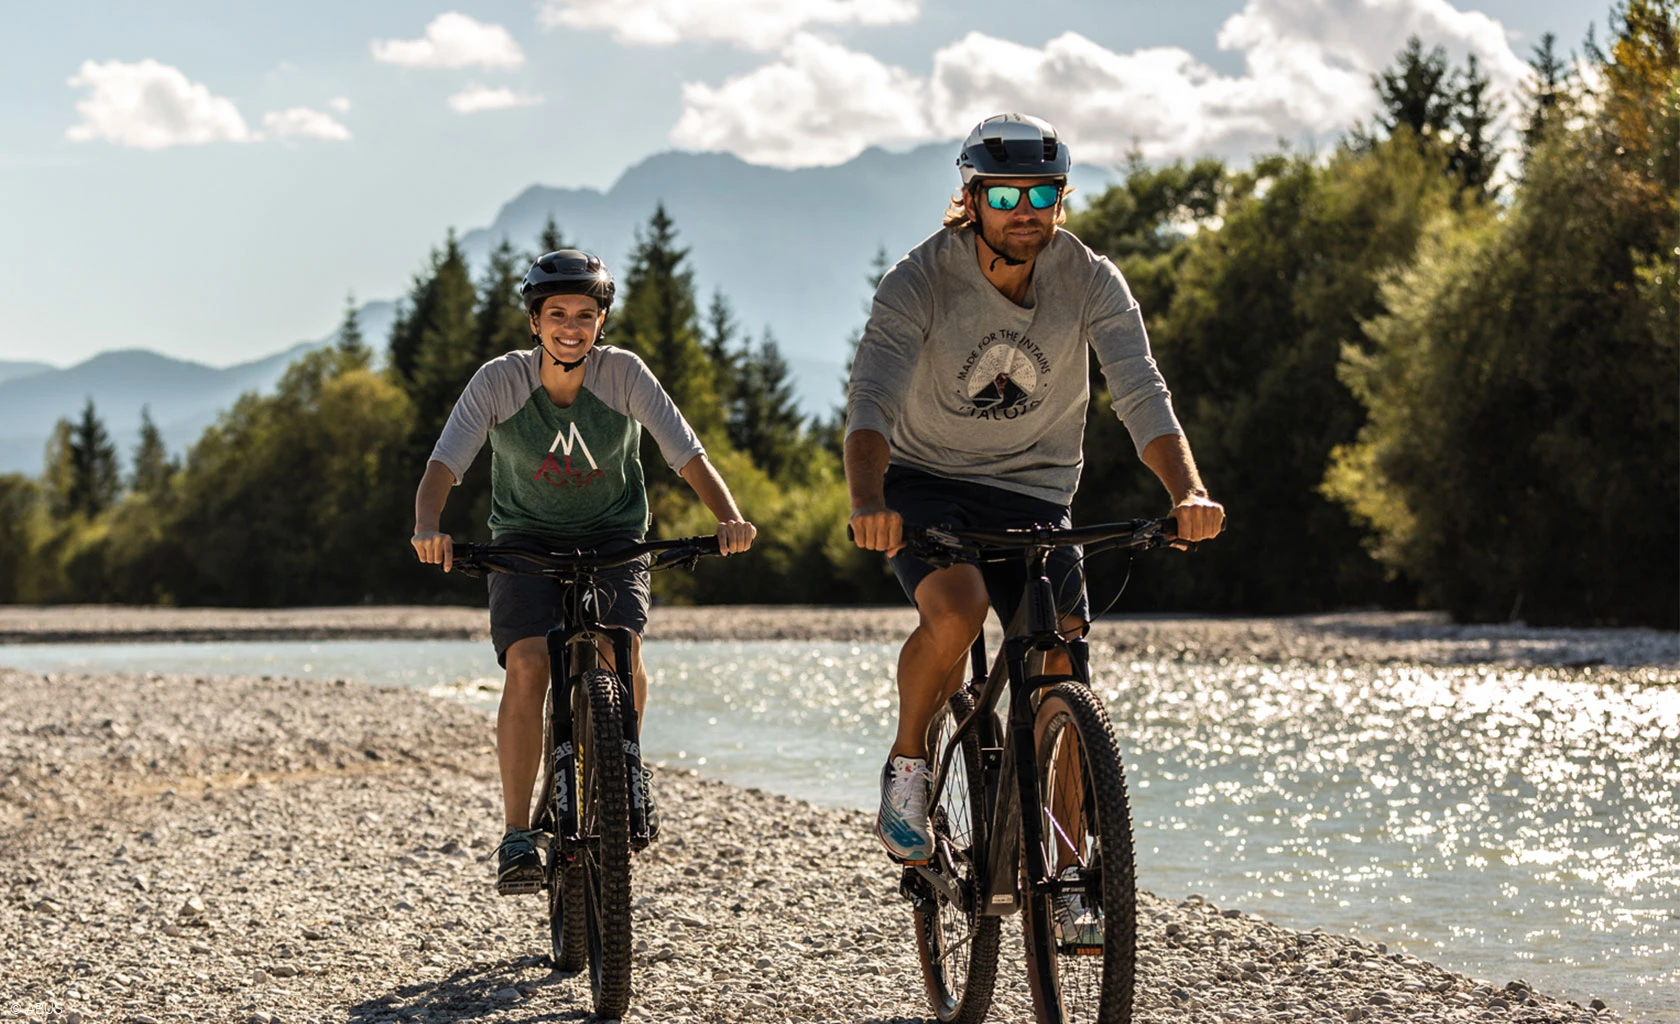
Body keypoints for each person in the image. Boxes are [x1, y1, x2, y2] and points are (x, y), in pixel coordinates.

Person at [844, 113, 1225, 933]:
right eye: (1008, 194)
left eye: (1043, 194)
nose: (1027, 210)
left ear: (1061, 197)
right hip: (926, 481)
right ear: (972, 199)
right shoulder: (920, 279)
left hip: (1036, 493)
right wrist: (869, 502)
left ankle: (1073, 868)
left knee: (1060, 666)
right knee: (957, 609)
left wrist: (1187, 492)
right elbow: (871, 397)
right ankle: (909, 762)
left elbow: (1141, 392)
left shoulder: (1089, 277)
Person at [410, 249, 756, 894]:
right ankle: (518, 835)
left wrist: (730, 518)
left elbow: (686, 454)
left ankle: (627, 769)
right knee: (529, 663)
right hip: (521, 540)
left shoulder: (623, 374)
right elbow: (443, 467)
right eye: (558, 314)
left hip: (614, 534)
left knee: (619, 649)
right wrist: (429, 527)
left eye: (586, 315)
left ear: (602, 322)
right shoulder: (498, 381)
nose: (572, 326)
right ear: (535, 321)